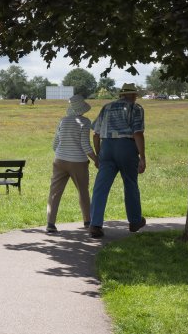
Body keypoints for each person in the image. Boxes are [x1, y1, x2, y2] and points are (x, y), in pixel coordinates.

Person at [89, 83, 147, 238]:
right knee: (130, 183)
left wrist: (99, 154)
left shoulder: (106, 107)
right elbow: (138, 133)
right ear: (133, 95)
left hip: (107, 145)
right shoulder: (136, 108)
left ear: (121, 95)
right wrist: (142, 156)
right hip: (126, 146)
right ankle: (134, 221)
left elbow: (95, 134)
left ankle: (95, 224)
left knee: (100, 187)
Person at [46, 95, 98, 233]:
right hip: (78, 162)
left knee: (54, 193)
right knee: (83, 191)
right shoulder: (85, 122)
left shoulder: (62, 121)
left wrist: (62, 153)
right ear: (82, 109)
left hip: (59, 161)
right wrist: (96, 160)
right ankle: (87, 221)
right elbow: (85, 144)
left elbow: (55, 143)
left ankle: (50, 224)